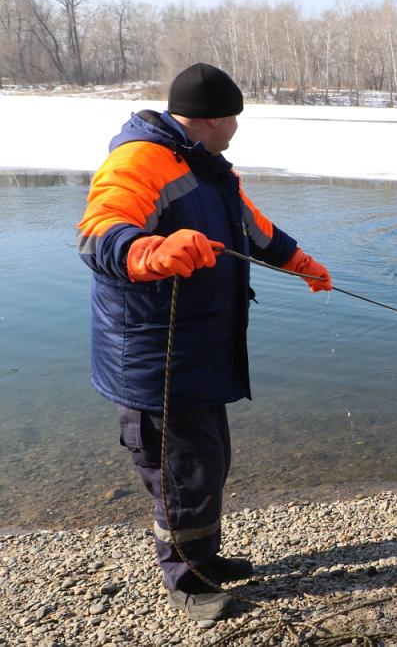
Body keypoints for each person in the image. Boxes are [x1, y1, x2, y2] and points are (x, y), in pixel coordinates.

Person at [77, 63, 332, 621]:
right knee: (179, 469)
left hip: (200, 350)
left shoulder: (206, 166)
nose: (239, 126)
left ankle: (203, 558)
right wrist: (150, 252)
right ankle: (186, 580)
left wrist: (299, 262)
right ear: (215, 118)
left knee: (207, 461)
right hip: (154, 355)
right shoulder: (139, 160)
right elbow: (99, 232)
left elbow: (251, 227)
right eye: (236, 117)